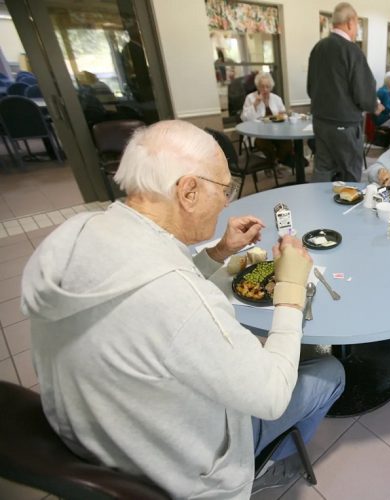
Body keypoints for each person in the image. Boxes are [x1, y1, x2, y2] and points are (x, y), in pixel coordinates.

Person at [21, 120, 345, 498]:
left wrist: (218, 253)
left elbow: (145, 276)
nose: (227, 202)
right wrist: (290, 288)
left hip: (107, 443)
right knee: (329, 370)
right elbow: (271, 395)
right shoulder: (179, 302)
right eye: (225, 190)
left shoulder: (77, 233)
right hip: (184, 472)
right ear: (188, 191)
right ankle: (267, 467)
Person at [307, 2, 382, 182]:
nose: (356, 30)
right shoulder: (352, 51)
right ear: (350, 22)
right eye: (357, 25)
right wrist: (374, 105)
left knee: (323, 169)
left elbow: (310, 88)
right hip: (344, 125)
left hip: (320, 122)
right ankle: (350, 209)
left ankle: (319, 207)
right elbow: (363, 92)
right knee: (350, 172)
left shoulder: (318, 48)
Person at [240, 72, 294, 172]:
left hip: (277, 131)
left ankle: (276, 162)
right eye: (262, 86)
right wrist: (255, 104)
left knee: (287, 143)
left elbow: (283, 115)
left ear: (271, 87)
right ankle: (273, 164)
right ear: (257, 87)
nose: (265, 89)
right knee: (265, 144)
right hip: (258, 133)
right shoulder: (250, 98)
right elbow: (244, 118)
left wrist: (285, 113)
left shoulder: (276, 98)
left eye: (267, 87)